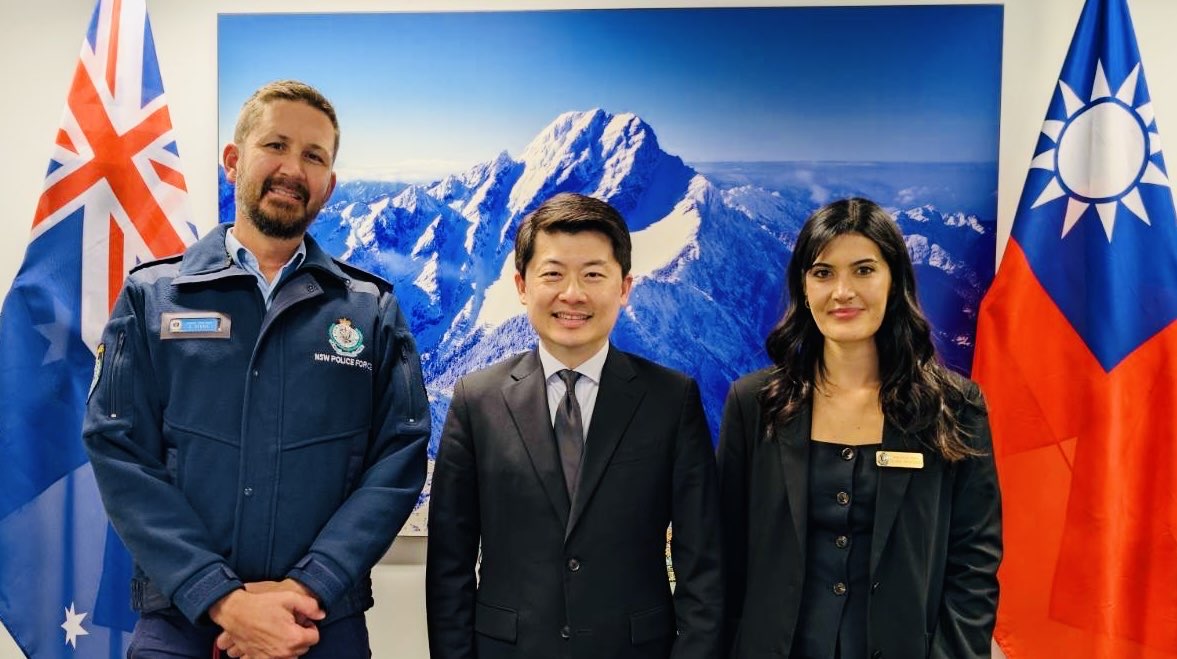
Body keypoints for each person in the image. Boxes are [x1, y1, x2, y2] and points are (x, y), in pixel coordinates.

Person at [83, 80, 429, 658]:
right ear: (233, 160)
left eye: (314, 156)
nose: (293, 168)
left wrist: (306, 588)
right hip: (181, 624)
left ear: (329, 184)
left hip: (318, 625)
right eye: (276, 145)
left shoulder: (370, 311)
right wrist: (221, 598)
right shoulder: (154, 297)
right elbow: (119, 450)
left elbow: (398, 458)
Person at [426, 192, 724, 659]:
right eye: (553, 274)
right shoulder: (477, 400)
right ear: (522, 286)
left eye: (593, 275)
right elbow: (450, 566)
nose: (572, 294)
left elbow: (703, 564)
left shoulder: (671, 400)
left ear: (624, 288)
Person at [718, 197, 1001, 658]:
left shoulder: (953, 407)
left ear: (895, 281)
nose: (842, 291)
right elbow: (724, 554)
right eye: (823, 273)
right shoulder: (754, 404)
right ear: (803, 287)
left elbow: (974, 563)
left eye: (864, 270)